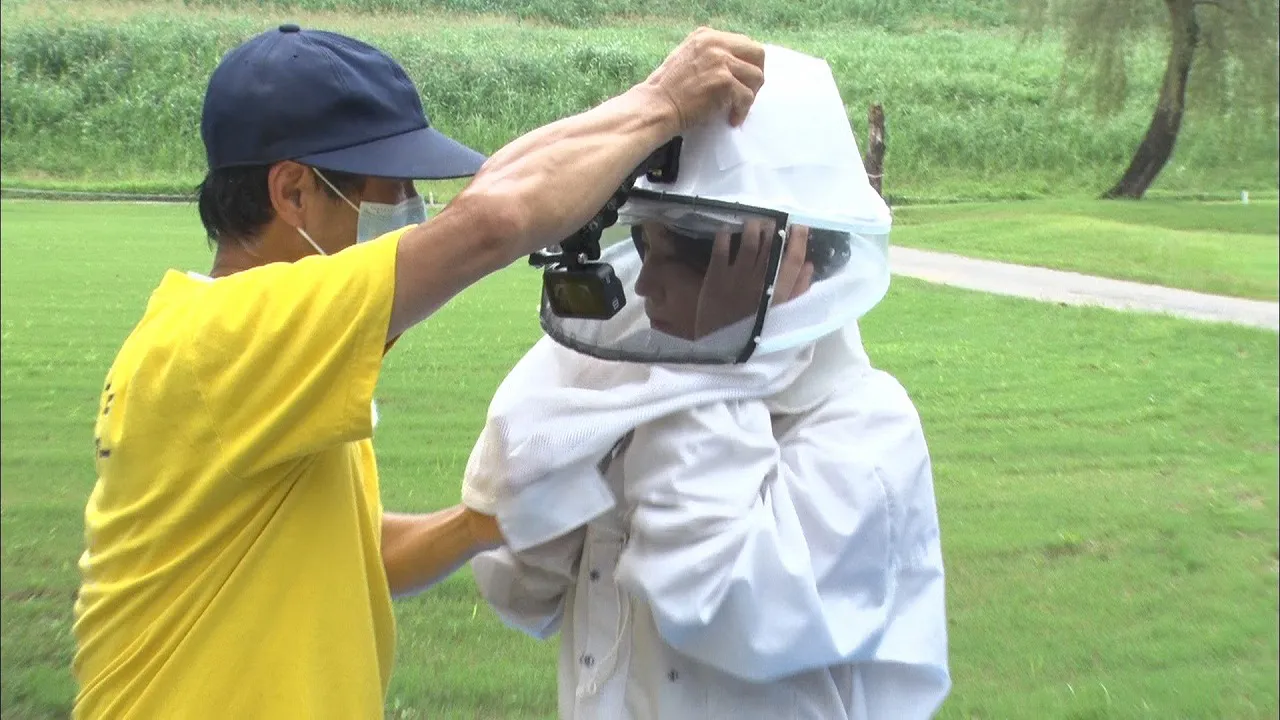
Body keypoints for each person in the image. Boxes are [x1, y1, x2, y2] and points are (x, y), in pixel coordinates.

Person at [71, 22, 768, 719]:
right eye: (390, 189)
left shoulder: (268, 363)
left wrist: (480, 525)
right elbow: (488, 224)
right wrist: (661, 104)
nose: (411, 212)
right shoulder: (227, 339)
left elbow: (354, 556)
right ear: (292, 193)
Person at [462, 45, 950, 719]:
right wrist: (581, 395)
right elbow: (516, 584)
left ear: (789, 258)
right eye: (645, 243)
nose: (649, 281)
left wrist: (706, 364)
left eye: (689, 251)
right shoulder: (628, 381)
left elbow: (717, 601)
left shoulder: (868, 430)